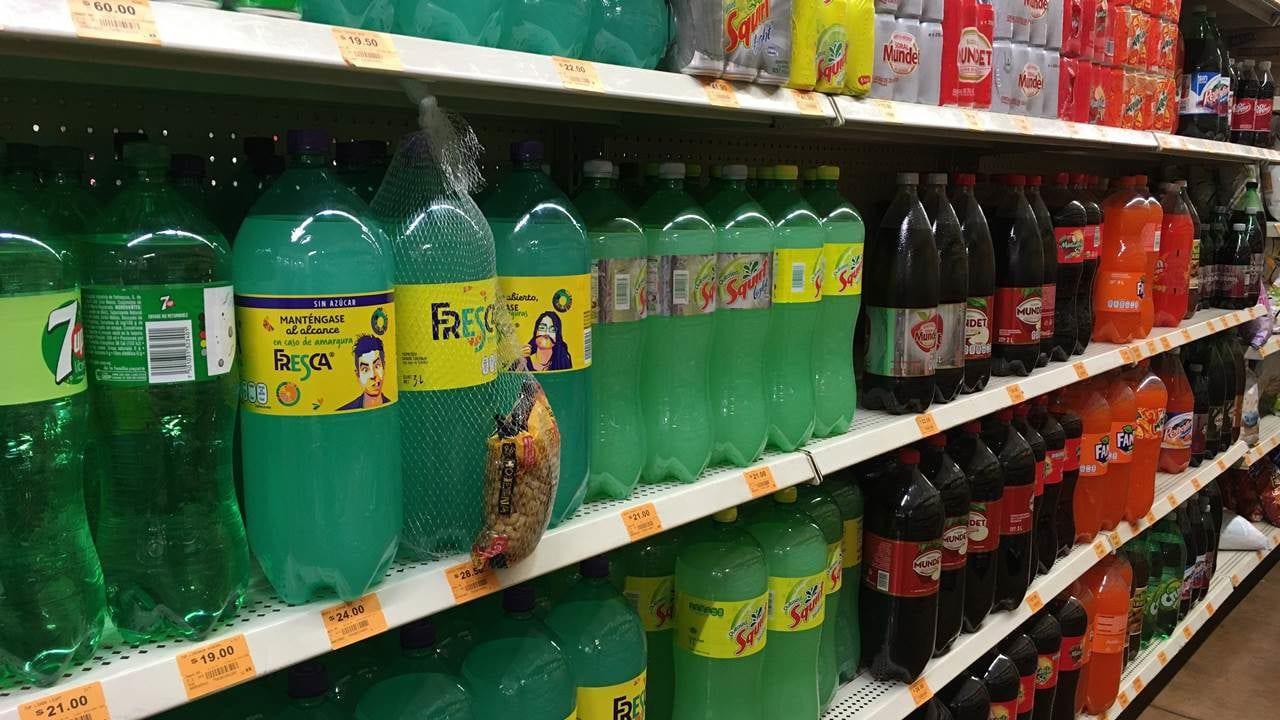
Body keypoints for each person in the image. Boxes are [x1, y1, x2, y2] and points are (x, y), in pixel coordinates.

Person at [340, 334, 391, 409]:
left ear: (384, 367)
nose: (373, 375)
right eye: (365, 370)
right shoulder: (345, 411)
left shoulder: (391, 405)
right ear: (358, 375)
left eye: (377, 366)